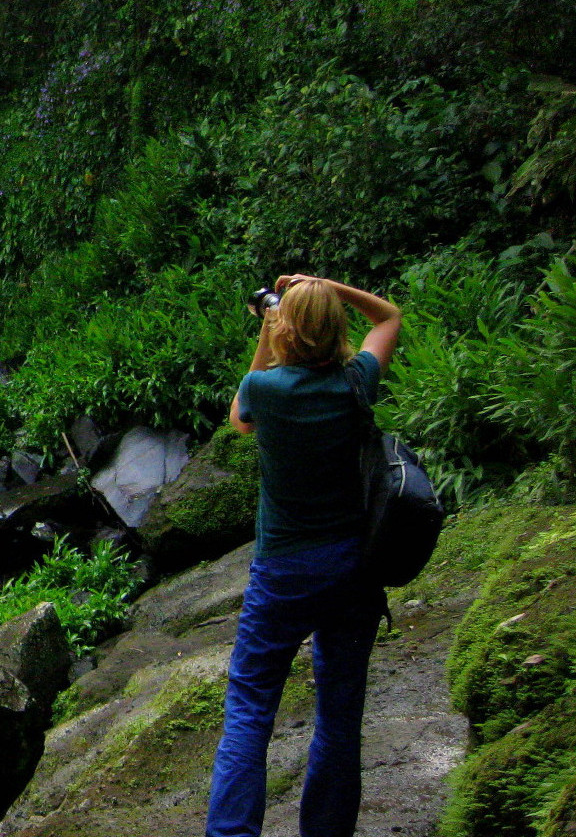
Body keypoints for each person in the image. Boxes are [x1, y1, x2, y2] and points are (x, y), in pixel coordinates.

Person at [205, 274, 403, 837]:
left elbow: (239, 416)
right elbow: (388, 317)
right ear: (337, 326)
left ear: (286, 329)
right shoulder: (355, 382)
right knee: (340, 718)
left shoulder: (266, 390)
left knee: (249, 710)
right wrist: (326, 288)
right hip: (351, 566)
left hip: (283, 571)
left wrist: (270, 330)